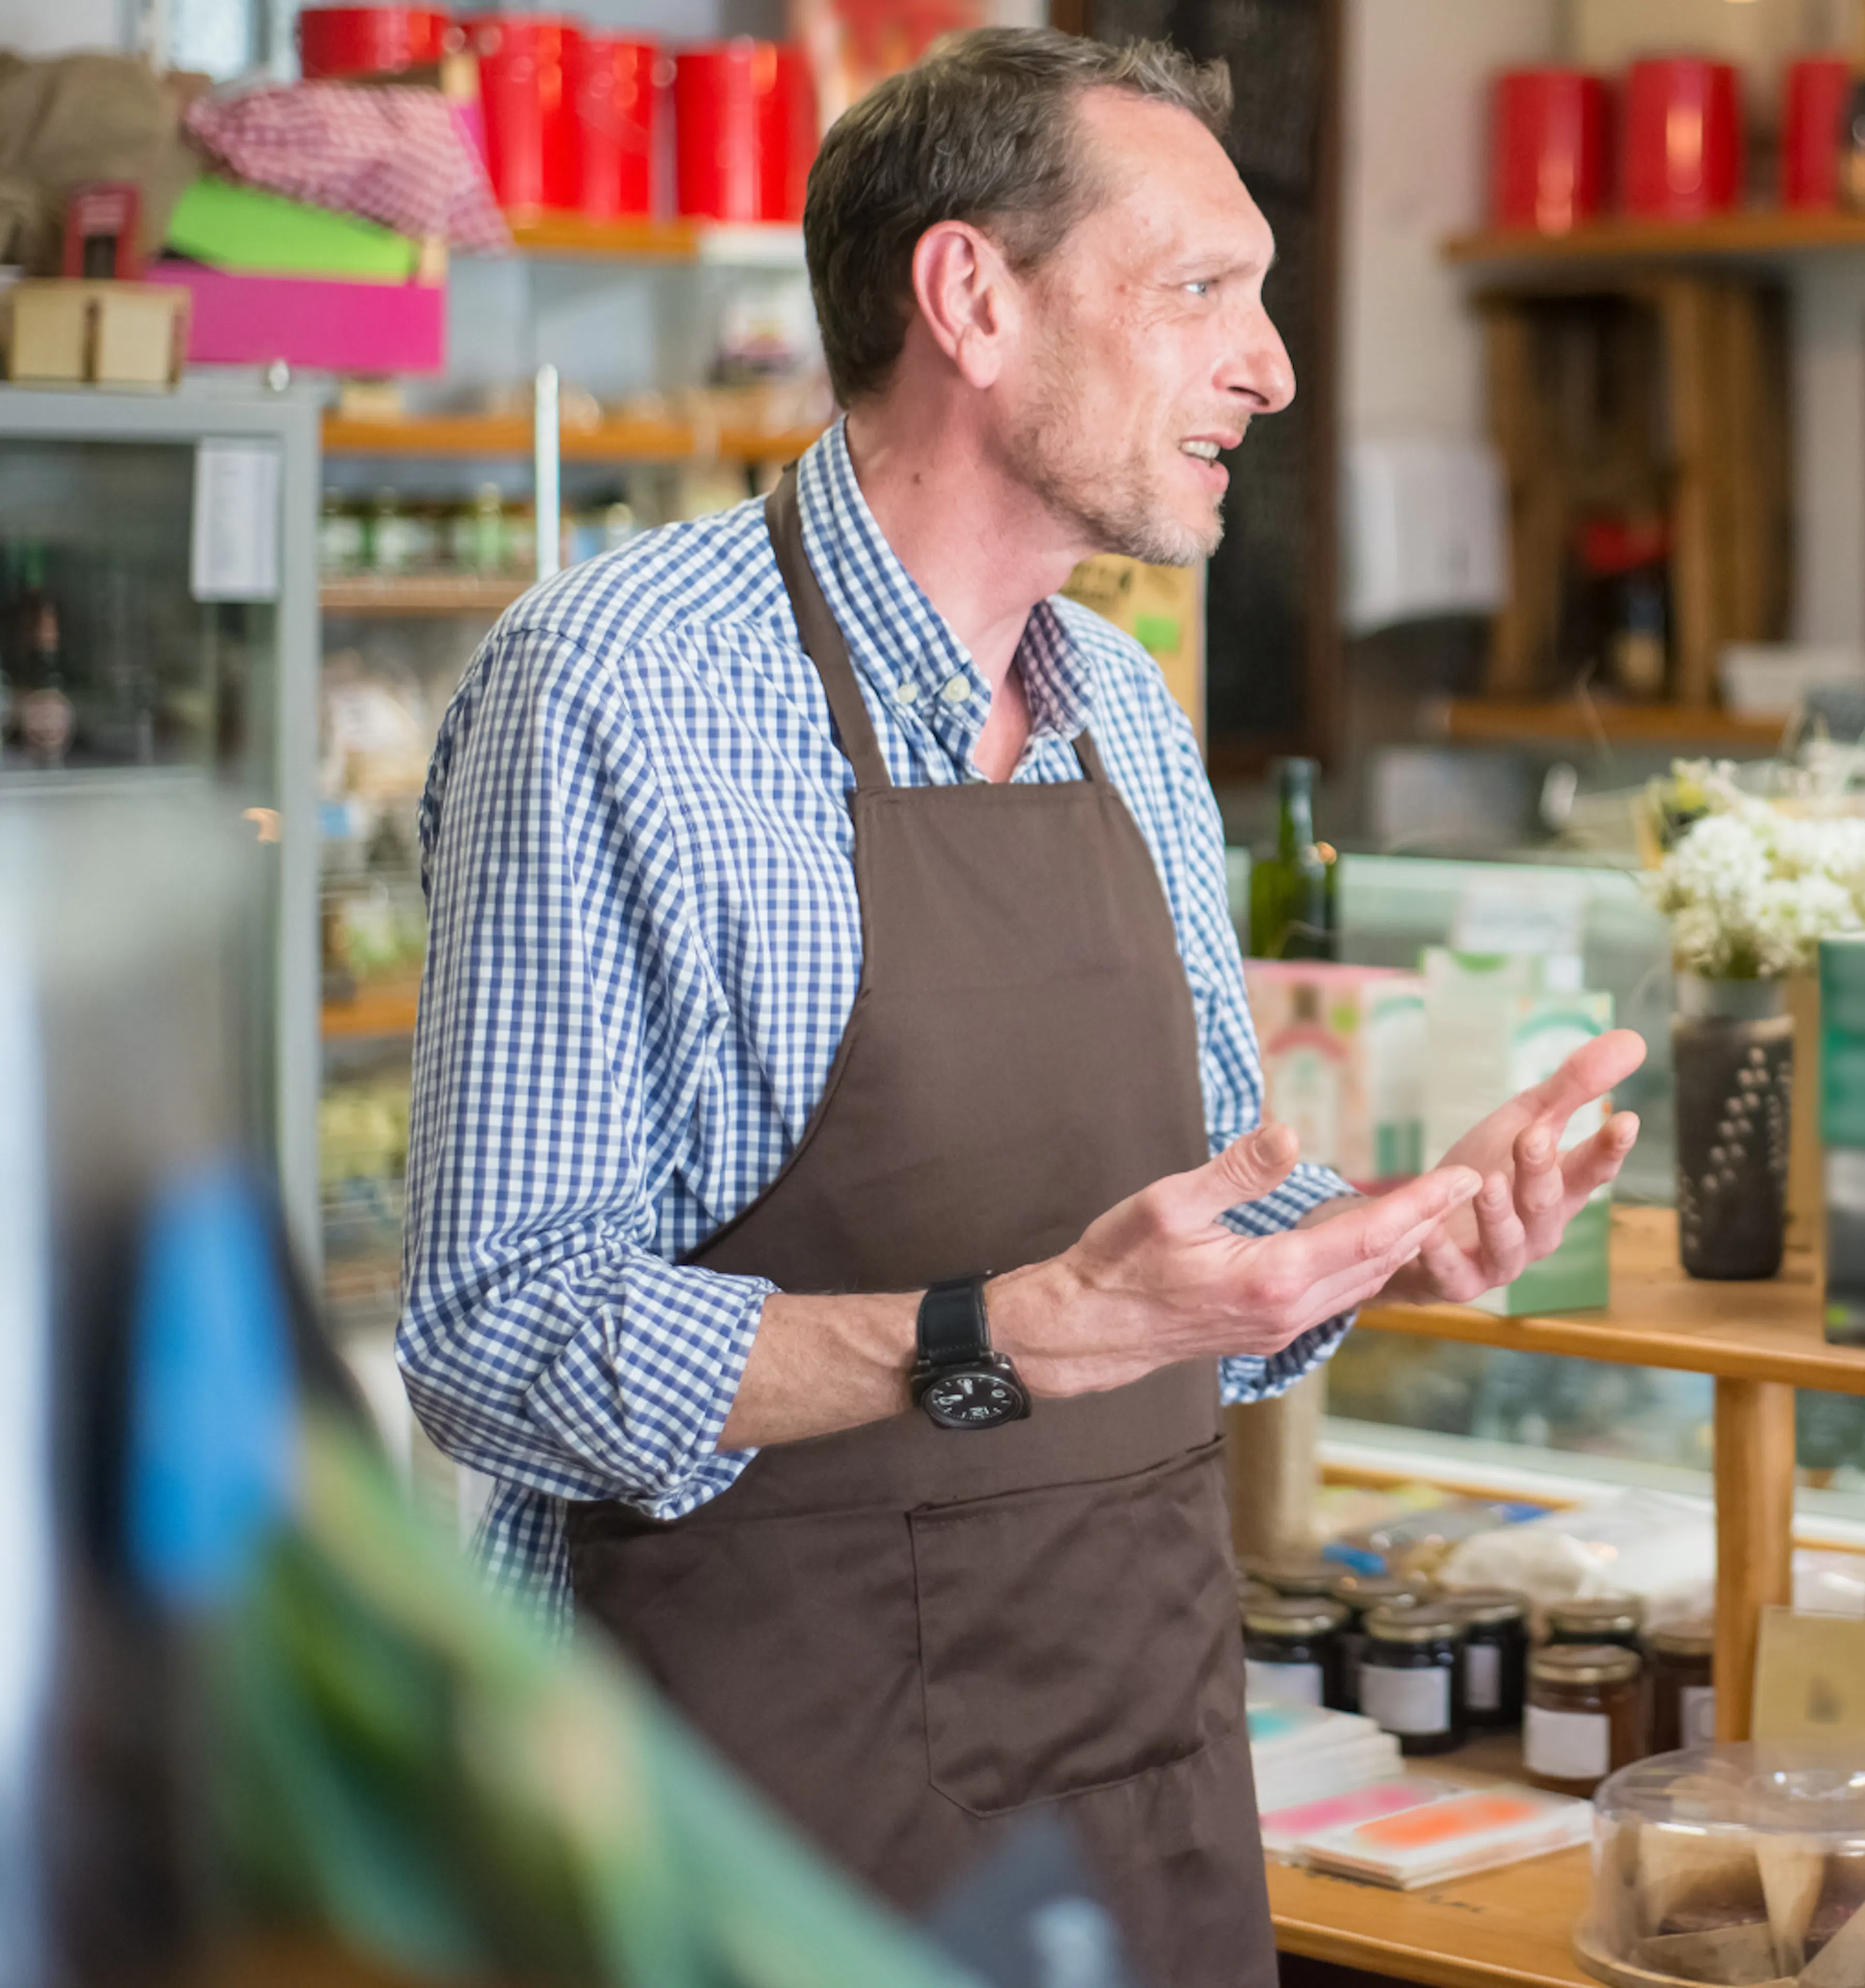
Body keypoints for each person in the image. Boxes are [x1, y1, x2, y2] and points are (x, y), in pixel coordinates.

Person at [399, 28, 1644, 1986]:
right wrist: (999, 1333)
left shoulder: (1127, 722)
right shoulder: (619, 697)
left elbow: (1178, 1306)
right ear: (972, 298)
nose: (1274, 365)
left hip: (1138, 1814)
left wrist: (1363, 1256)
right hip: (743, 1854)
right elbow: (496, 1338)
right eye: (1200, 290)